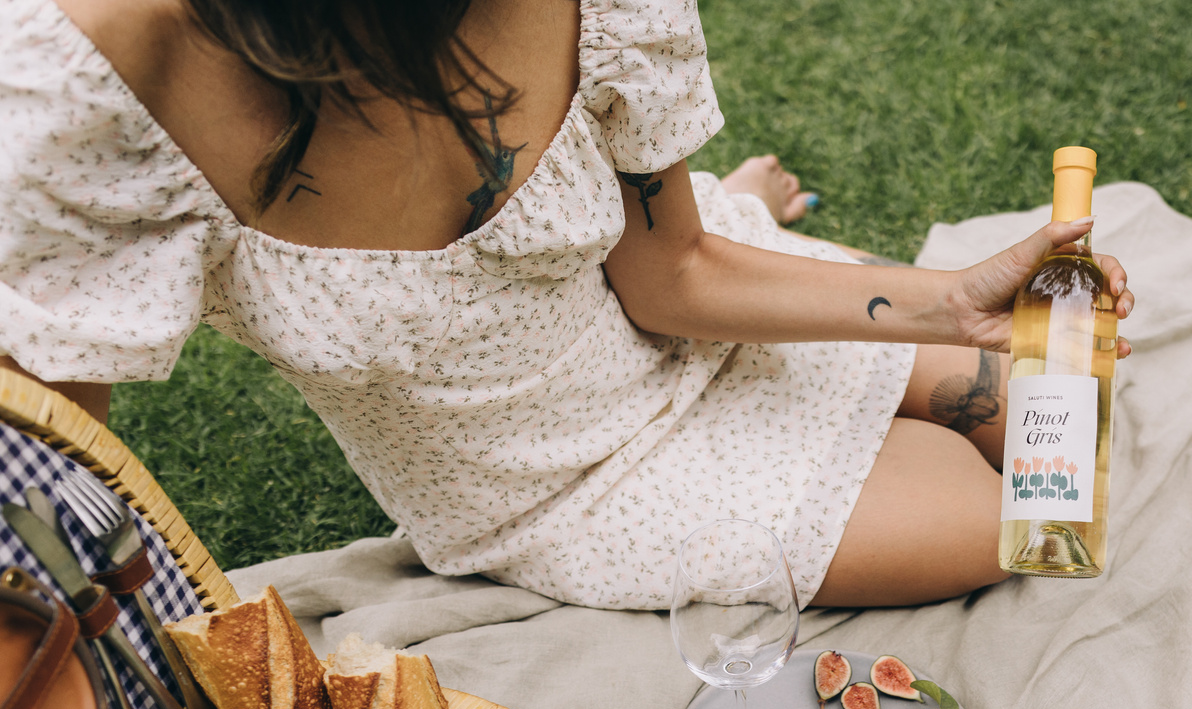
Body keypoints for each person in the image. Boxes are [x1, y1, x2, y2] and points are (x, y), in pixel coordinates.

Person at [0, 0, 1134, 609]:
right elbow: (56, 483)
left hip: (677, 305)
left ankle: (741, 211)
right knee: (1019, 526)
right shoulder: (92, 74)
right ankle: (754, 221)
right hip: (562, 484)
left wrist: (957, 307)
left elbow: (670, 276)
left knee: (1057, 429)